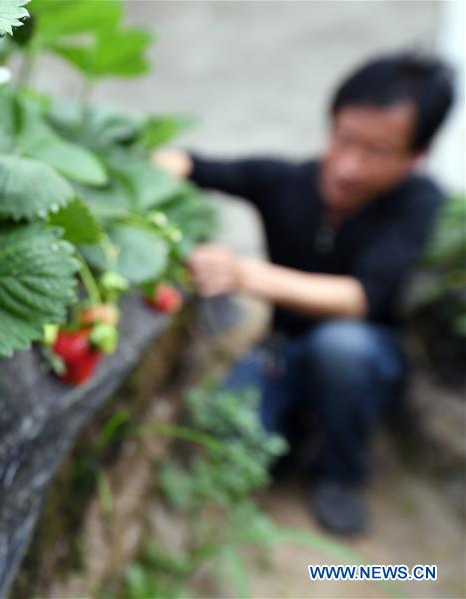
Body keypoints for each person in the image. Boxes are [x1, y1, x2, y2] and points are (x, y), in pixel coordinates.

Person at [155, 53, 454, 535]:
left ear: (416, 156)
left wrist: (244, 274)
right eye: (344, 138)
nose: (348, 165)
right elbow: (190, 164)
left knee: (342, 347)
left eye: (377, 150)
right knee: (226, 439)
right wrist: (155, 168)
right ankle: (295, 428)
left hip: (363, 357)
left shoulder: (417, 202)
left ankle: (341, 473)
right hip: (283, 350)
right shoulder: (286, 182)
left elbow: (360, 298)